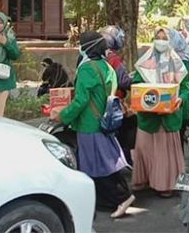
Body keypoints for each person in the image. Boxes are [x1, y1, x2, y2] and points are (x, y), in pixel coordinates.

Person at [50, 31, 135, 218]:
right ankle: (105, 200)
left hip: (89, 124)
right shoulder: (106, 66)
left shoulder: (87, 69)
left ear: (87, 47)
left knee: (97, 166)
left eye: (80, 44)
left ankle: (121, 197)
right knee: (105, 163)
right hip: (105, 122)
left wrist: (62, 116)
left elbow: (81, 101)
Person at [131, 28, 189, 198]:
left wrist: (181, 99)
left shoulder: (178, 64)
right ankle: (143, 179)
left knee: (164, 151)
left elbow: (185, 88)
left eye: (165, 38)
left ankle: (165, 184)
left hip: (168, 116)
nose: (161, 41)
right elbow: (136, 84)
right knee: (144, 148)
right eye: (158, 37)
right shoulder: (144, 62)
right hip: (148, 116)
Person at [100, 25, 136, 164]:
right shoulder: (114, 58)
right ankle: (123, 161)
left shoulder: (99, 57)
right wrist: (138, 79)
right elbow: (124, 81)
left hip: (101, 101)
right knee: (125, 130)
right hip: (115, 102)